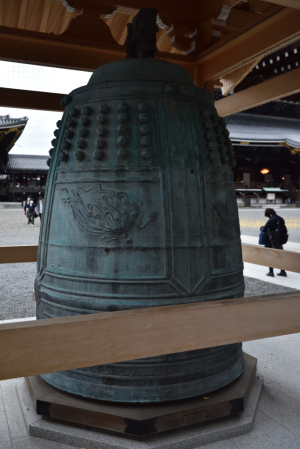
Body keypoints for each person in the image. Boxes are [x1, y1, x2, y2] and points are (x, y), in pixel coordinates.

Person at [263, 208, 287, 277]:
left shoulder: (271, 220)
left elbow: (265, 229)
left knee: (270, 255)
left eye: (268, 215)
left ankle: (271, 272)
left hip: (271, 241)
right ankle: (283, 271)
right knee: (280, 255)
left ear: (270, 214)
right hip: (280, 240)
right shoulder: (280, 219)